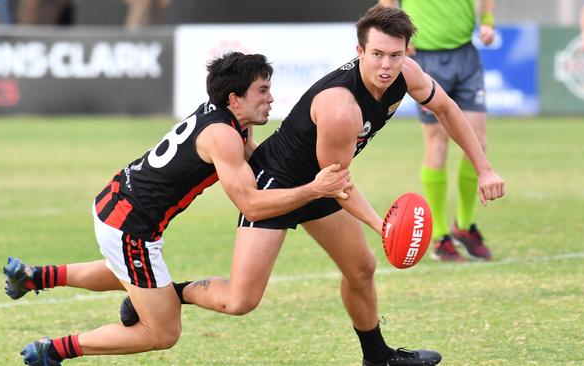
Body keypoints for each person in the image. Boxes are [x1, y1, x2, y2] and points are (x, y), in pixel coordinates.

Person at [121, 4, 505, 366]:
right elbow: (337, 183)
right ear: (360, 50)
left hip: (321, 181)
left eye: (396, 55)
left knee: (361, 268)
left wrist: (484, 168)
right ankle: (166, 295)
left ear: (408, 51)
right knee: (241, 300)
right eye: (377, 55)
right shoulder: (340, 107)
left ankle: (377, 356)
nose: (387, 65)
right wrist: (383, 226)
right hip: (277, 183)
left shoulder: (408, 73)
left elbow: (447, 109)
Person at [2, 52, 352, 365]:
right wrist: (314, 189)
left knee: (130, 274)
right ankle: (53, 351)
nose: (271, 97)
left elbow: (257, 163)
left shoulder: (224, 119)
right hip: (130, 227)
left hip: (115, 204)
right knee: (162, 332)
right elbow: (252, 205)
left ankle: (35, 276)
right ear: (235, 97)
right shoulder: (224, 135)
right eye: (262, 90)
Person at [380, 0, 496, 262]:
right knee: (437, 144)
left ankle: (464, 225)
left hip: (466, 54)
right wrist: (400, 35)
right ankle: (441, 236)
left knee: (478, 142)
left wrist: (487, 22)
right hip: (427, 57)